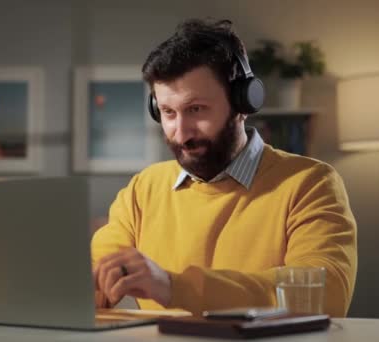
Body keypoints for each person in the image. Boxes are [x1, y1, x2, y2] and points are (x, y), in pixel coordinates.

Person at [91, 18, 357, 317]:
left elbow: (324, 291)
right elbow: (96, 279)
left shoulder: (310, 183)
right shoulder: (144, 188)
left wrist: (174, 286)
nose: (181, 132)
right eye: (168, 112)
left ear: (242, 103)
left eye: (196, 109)